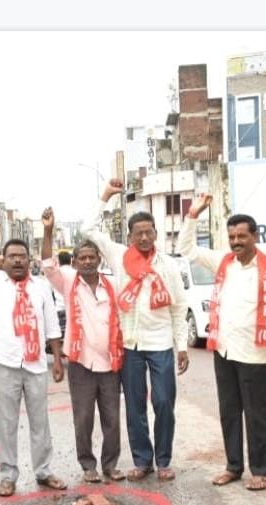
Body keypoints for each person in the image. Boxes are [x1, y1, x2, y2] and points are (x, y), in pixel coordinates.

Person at [178, 194, 266, 490]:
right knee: (229, 412)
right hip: (224, 350)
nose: (236, 241)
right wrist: (193, 214)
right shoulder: (223, 262)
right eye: (232, 236)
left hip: (256, 354)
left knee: (257, 415)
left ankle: (260, 470)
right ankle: (233, 466)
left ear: (255, 236)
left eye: (242, 236)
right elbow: (186, 249)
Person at [85, 179, 189, 483]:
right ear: (129, 236)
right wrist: (104, 196)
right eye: (138, 233)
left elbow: (179, 307)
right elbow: (88, 230)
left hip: (160, 345)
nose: (144, 237)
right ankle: (143, 460)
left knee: (163, 402)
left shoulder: (167, 266)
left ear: (156, 234)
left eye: (149, 232)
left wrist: (181, 345)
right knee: (134, 406)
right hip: (130, 345)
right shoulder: (118, 256)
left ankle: (164, 459)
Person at [0, 240, 66, 497]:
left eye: (22, 256)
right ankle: (8, 476)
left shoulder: (40, 286)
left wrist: (58, 359)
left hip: (35, 363)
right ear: (3, 260)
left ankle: (43, 470)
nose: (18, 261)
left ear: (30, 260)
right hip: (5, 362)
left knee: (40, 421)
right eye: (12, 256)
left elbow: (51, 324)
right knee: (7, 422)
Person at [41, 206, 124, 483]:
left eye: (92, 257)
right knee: (84, 418)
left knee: (112, 419)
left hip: (111, 363)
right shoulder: (68, 282)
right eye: (82, 258)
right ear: (75, 262)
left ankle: (110, 465)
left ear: (99, 260)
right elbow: (48, 264)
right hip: (81, 364)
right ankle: (88, 466)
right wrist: (49, 231)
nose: (87, 262)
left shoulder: (112, 286)